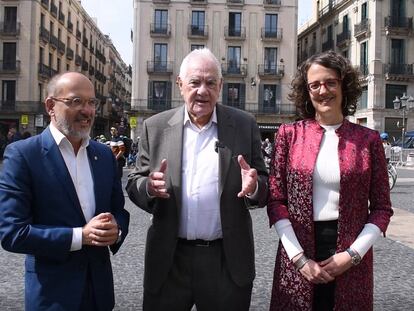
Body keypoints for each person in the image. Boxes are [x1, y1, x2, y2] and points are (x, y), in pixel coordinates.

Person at [126, 48, 268, 311]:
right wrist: (149, 187)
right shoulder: (155, 127)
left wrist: (254, 186)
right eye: (195, 82)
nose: (202, 90)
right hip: (170, 260)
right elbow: (135, 181)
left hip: (226, 260)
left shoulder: (244, 124)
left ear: (220, 86)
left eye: (210, 83)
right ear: (180, 85)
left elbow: (263, 182)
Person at [267, 51, 393, 311]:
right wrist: (299, 260)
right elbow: (276, 200)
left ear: (343, 85)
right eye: (315, 85)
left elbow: (381, 208)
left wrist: (353, 255)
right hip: (298, 251)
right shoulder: (288, 135)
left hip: (350, 256)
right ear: (307, 90)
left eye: (330, 82)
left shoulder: (368, 141)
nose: (323, 91)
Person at [0, 72, 130, 311]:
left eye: (91, 102)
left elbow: (118, 211)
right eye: (76, 101)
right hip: (52, 297)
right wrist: (81, 236)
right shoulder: (23, 155)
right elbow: (12, 233)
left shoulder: (104, 157)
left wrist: (117, 229)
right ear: (51, 106)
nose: (87, 110)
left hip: (99, 294)